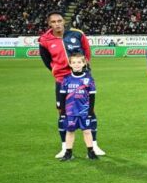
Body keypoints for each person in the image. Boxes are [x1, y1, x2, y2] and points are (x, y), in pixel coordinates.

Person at [39, 11, 105, 159]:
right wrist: (58, 71)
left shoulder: (77, 34)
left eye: (59, 21)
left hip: (82, 77)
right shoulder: (44, 40)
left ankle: (94, 145)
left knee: (89, 109)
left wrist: (82, 68)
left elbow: (87, 53)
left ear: (64, 21)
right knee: (62, 111)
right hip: (63, 79)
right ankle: (65, 147)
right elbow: (46, 60)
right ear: (49, 24)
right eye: (54, 22)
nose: (57, 24)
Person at [57, 52, 99, 161]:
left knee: (87, 131)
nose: (77, 64)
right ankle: (68, 153)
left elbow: (92, 97)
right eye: (74, 62)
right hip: (70, 112)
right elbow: (62, 96)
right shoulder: (66, 79)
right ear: (70, 64)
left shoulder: (89, 79)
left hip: (84, 111)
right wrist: (62, 112)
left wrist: (90, 112)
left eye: (79, 62)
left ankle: (90, 152)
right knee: (70, 131)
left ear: (84, 63)